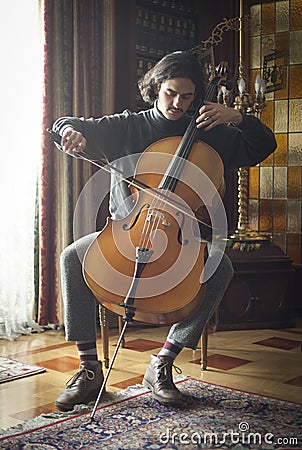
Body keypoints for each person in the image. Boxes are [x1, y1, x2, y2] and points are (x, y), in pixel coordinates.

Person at [52, 51, 276, 412]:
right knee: (71, 257)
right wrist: (68, 133)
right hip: (125, 235)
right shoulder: (129, 126)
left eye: (187, 97)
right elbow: (65, 122)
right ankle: (88, 368)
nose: (177, 104)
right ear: (155, 87)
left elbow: (265, 145)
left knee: (222, 268)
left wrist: (237, 117)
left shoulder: (211, 134)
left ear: (197, 96)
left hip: (177, 241)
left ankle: (162, 363)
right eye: (170, 93)